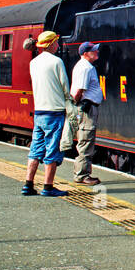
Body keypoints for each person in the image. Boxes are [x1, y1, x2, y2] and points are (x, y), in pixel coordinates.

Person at [22, 31, 71, 197]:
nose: (57, 44)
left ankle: (28, 185)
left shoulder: (33, 63)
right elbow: (65, 86)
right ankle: (48, 187)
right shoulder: (57, 62)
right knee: (52, 148)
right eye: (56, 42)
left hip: (39, 111)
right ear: (51, 44)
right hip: (54, 111)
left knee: (36, 149)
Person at [68, 42, 104, 185]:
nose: (96, 52)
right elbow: (79, 91)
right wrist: (78, 106)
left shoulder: (85, 66)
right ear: (85, 53)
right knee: (86, 140)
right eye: (93, 50)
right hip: (86, 108)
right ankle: (82, 175)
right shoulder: (85, 68)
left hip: (86, 107)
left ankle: (82, 173)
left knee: (86, 140)